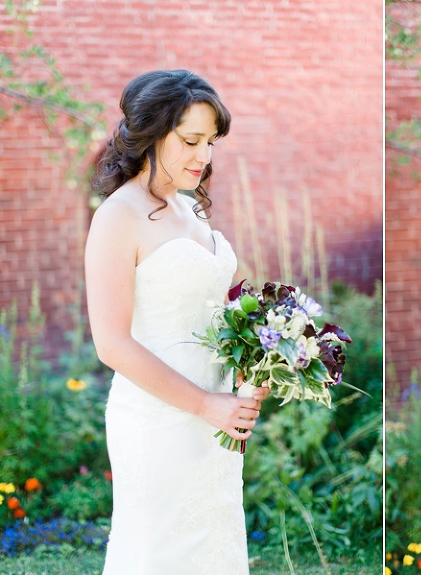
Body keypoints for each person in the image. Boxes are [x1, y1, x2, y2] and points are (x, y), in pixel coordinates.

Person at [85, 69, 270, 575]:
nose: (204, 157)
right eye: (190, 140)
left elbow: (212, 311)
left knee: (214, 545)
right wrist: (205, 404)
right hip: (158, 417)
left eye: (210, 141)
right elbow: (111, 343)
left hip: (217, 418)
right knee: (161, 552)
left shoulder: (191, 209)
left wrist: (262, 365)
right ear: (149, 132)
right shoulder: (117, 217)